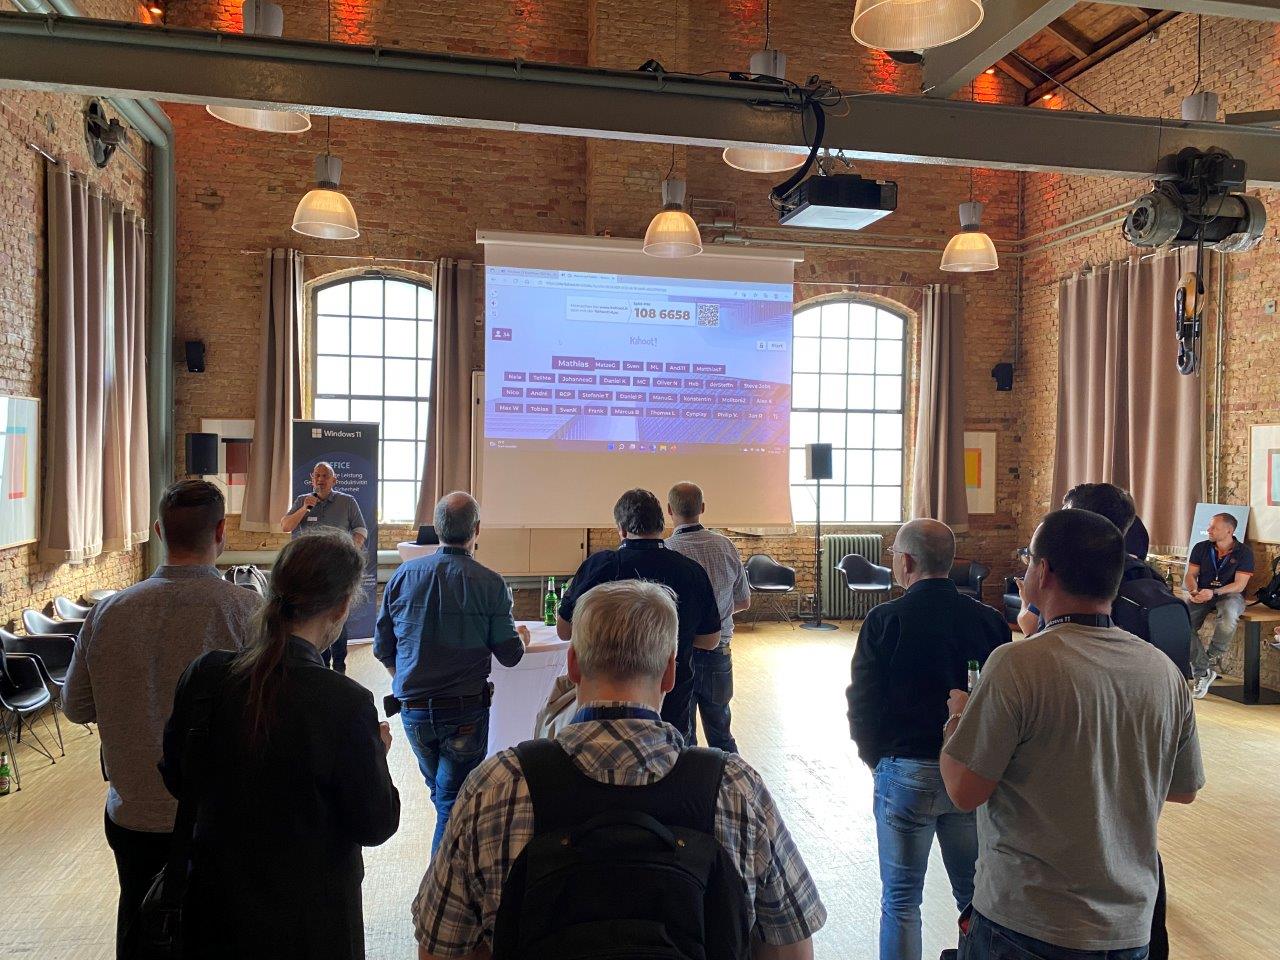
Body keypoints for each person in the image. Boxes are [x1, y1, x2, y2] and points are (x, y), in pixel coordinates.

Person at [412, 579, 827, 960]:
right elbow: (791, 946)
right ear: (670, 672)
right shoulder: (736, 789)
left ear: (573, 665)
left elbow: (440, 947)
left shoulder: (496, 786)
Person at [941, 509, 1204, 960]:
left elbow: (965, 791)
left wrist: (958, 721)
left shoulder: (1018, 665)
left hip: (1027, 921)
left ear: (1043, 571)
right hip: (1128, 928)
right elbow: (1183, 789)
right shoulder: (1162, 671)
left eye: (1028, 560)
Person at [161, 530, 400, 960]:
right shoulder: (344, 702)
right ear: (342, 607)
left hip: (215, 910)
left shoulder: (205, 676)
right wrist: (376, 757)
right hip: (310, 923)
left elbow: (179, 779)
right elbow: (375, 824)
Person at [61, 480, 261, 960]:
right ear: (221, 531)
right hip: (219, 815)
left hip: (133, 813)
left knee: (141, 926)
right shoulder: (248, 612)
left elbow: (76, 707)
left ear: (158, 531)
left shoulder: (107, 613)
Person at [847, 518, 1010, 960]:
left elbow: (862, 702)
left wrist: (879, 761)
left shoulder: (884, 620)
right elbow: (1000, 704)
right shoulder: (990, 622)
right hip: (970, 774)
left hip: (905, 771)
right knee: (974, 897)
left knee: (901, 901)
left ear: (906, 562)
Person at [374, 491, 530, 853]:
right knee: (451, 802)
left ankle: (454, 864)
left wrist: (404, 678)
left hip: (413, 712)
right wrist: (521, 638)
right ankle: (441, 882)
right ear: (477, 530)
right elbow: (510, 655)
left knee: (443, 795)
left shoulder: (403, 576)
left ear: (437, 527)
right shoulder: (490, 583)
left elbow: (382, 646)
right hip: (464, 714)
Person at [557, 488, 721, 736]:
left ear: (622, 530)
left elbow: (564, 630)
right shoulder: (691, 571)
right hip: (670, 703)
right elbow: (710, 640)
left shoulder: (600, 566)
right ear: (662, 525)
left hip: (602, 708)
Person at [664, 481, 751, 752]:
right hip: (718, 651)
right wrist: (716, 614)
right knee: (722, 734)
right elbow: (744, 601)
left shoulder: (667, 551)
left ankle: (689, 781)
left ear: (669, 510)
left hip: (681, 653)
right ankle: (731, 778)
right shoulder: (726, 546)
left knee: (684, 737)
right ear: (702, 508)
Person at [279, 460, 368, 673]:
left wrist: (349, 551)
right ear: (312, 479)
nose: (320, 479)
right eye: (317, 476)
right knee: (314, 617)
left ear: (334, 480)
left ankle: (339, 667)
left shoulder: (347, 501)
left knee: (337, 616)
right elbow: (286, 526)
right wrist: (304, 508)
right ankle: (320, 666)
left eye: (325, 476)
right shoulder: (302, 500)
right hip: (309, 572)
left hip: (337, 570)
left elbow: (361, 530)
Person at [1184, 512, 1253, 698]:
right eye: (1209, 526)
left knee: (1229, 615)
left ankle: (1205, 664)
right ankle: (1203, 671)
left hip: (1230, 594)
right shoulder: (1201, 547)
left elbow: (1240, 585)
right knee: (1180, 624)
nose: (1209, 530)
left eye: (1214, 527)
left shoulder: (1244, 552)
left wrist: (1213, 592)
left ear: (1229, 531)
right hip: (1202, 594)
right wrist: (1194, 591)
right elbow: (1190, 575)